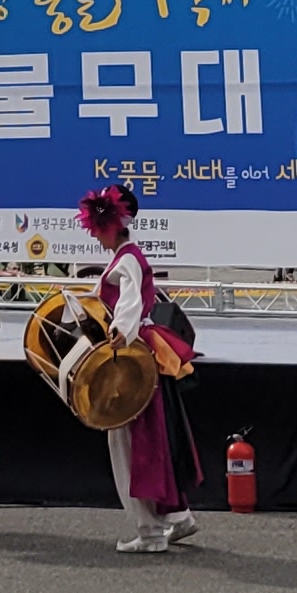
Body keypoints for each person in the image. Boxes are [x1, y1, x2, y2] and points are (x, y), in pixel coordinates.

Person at [77, 184, 200, 553]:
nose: (94, 235)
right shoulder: (125, 257)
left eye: (97, 227)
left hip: (131, 354)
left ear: (112, 224)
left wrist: (119, 329)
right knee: (150, 436)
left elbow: (130, 302)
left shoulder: (127, 259)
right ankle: (177, 516)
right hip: (137, 350)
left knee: (130, 441)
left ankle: (150, 531)